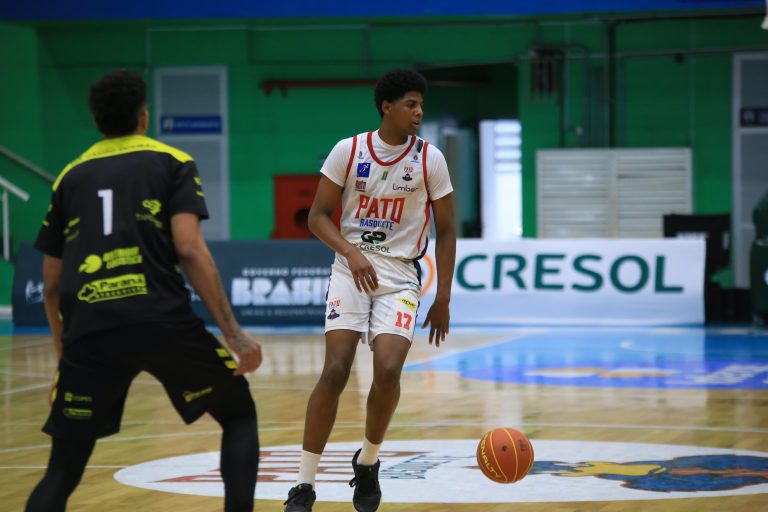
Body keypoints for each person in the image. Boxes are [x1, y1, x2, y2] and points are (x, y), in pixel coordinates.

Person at [26, 69, 263, 512]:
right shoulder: (172, 161)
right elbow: (190, 250)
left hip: (90, 331)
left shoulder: (68, 177)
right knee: (238, 414)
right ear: (143, 116)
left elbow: (52, 285)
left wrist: (64, 356)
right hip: (160, 319)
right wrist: (234, 334)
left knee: (62, 469)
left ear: (96, 120)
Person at [283, 69, 456, 512]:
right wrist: (350, 251)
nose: (419, 112)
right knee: (335, 370)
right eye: (411, 104)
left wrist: (443, 297)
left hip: (400, 275)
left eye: (421, 105)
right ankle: (303, 485)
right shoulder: (349, 150)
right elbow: (317, 217)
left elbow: (448, 230)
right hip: (350, 269)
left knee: (389, 370)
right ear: (387, 107)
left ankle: (367, 462)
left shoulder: (430, 159)